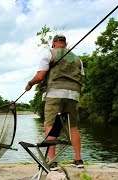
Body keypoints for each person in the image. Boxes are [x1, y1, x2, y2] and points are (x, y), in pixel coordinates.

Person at [25, 34, 84, 170]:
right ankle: (78, 160)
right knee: (73, 127)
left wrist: (29, 84)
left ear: (53, 44)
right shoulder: (77, 59)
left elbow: (40, 76)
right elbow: (81, 77)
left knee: (50, 126)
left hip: (54, 93)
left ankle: (52, 162)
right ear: (65, 44)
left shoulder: (49, 54)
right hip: (73, 94)